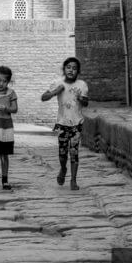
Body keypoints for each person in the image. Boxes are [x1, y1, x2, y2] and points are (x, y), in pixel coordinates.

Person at [41, 57, 88, 190]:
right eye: (68, 67)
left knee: (74, 153)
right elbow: (43, 97)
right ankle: (63, 169)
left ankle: (73, 180)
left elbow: (86, 102)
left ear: (78, 71)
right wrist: (56, 92)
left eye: (74, 68)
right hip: (62, 124)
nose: (71, 70)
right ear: (64, 69)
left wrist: (80, 98)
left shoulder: (82, 85)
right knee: (62, 154)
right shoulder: (58, 83)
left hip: (76, 124)